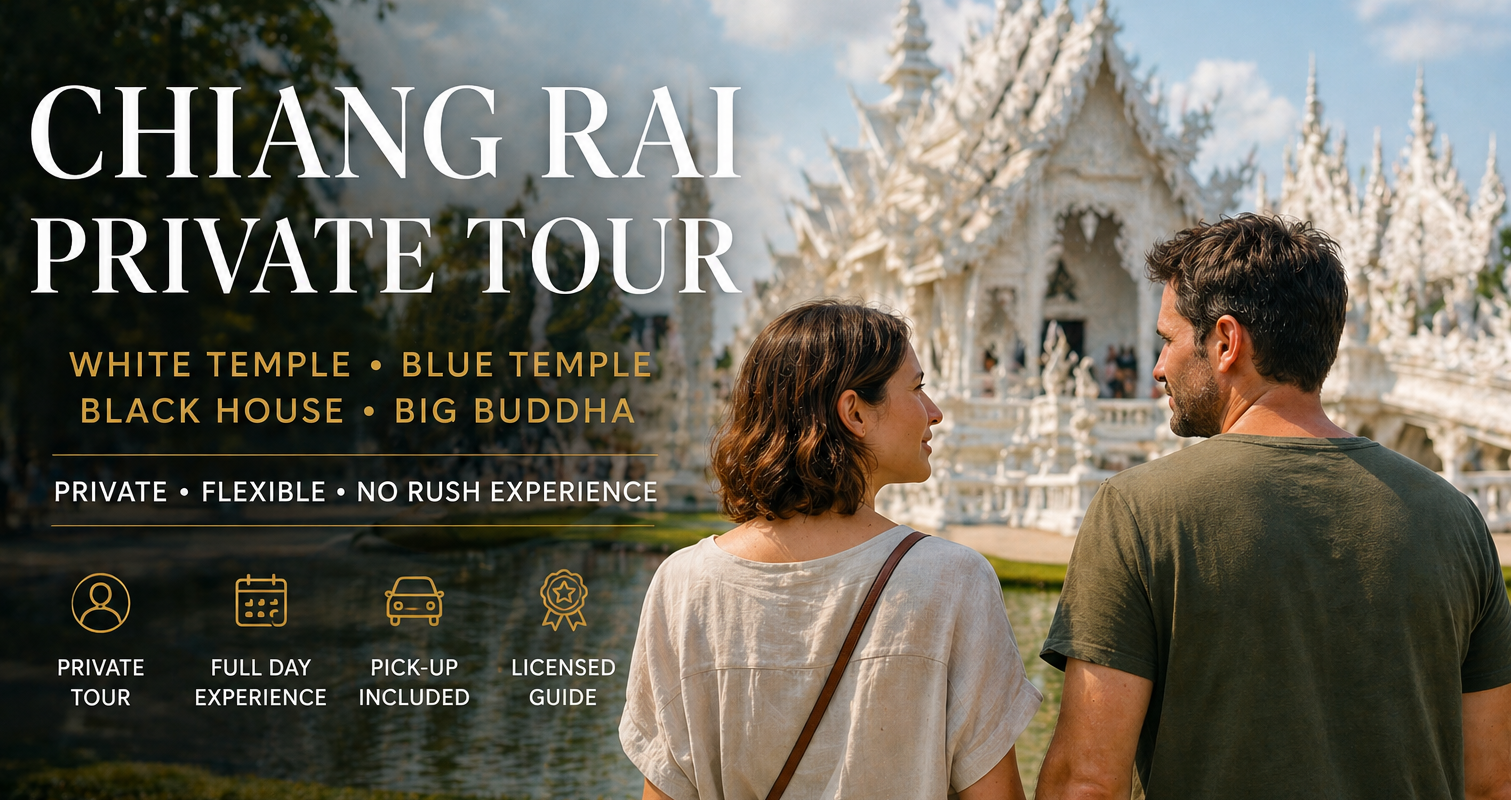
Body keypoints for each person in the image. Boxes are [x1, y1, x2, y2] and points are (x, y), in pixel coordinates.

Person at [1035, 214, 1511, 799]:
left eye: (1168, 340)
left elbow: (1087, 782)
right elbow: (1492, 782)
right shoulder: (1456, 520)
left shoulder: (1138, 513)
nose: (1158, 367)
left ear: (1227, 342)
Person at [621, 300, 1041, 800]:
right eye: (918, 387)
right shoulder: (952, 581)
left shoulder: (683, 584)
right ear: (855, 412)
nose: (935, 412)